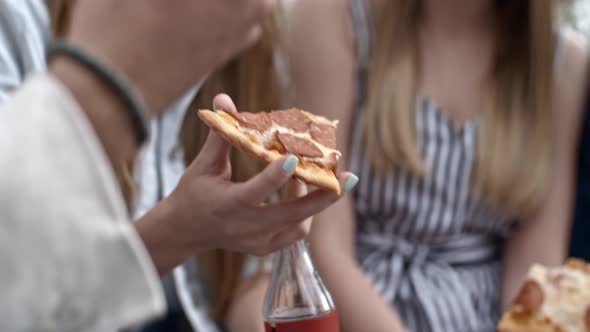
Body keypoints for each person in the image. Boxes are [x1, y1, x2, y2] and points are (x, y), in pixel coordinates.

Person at [0, 0, 357, 331]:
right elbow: (21, 287)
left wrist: (269, 256)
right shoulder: (20, 19)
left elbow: (240, 286)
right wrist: (178, 230)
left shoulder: (243, 32)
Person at [288, 0, 587, 331]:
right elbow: (324, 240)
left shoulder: (561, 64)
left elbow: (533, 270)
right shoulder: (336, 18)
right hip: (354, 313)